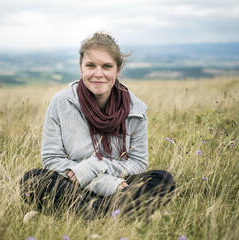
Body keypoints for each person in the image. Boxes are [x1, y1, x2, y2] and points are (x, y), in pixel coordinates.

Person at [20, 32, 175, 219]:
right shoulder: (60, 103)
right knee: (33, 181)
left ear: (117, 70)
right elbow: (52, 159)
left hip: (119, 184)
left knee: (162, 181)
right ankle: (113, 214)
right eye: (91, 66)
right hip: (74, 184)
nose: (98, 74)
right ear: (81, 68)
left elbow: (138, 164)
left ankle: (82, 214)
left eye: (107, 66)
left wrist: (94, 167)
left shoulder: (135, 110)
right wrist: (103, 182)